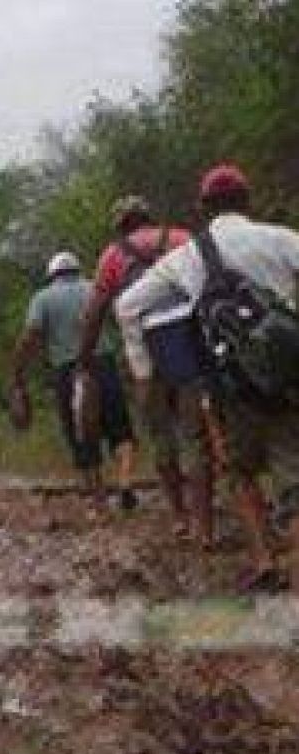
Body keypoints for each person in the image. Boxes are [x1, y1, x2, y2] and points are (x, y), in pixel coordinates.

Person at [118, 164, 299, 592]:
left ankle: (262, 560)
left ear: (203, 208)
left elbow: (127, 306)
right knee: (294, 475)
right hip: (289, 380)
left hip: (230, 386)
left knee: (240, 472)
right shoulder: (282, 239)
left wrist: (145, 371)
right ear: (248, 201)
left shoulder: (187, 257)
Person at [78, 196, 215, 546]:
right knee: (196, 438)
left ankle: (180, 518)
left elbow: (94, 312)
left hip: (145, 358)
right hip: (188, 347)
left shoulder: (113, 255)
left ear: (121, 225)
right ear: (149, 217)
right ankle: (204, 525)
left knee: (161, 437)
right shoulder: (182, 239)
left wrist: (84, 360)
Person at [12, 251, 138, 505]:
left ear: (52, 274)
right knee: (119, 426)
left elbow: (31, 335)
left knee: (79, 431)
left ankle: (97, 495)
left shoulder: (43, 298)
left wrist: (18, 370)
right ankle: (125, 482)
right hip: (103, 363)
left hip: (67, 370)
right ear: (78, 270)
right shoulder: (94, 289)